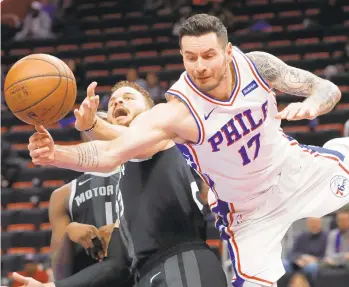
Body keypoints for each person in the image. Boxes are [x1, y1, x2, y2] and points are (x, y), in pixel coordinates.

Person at [27, 14, 347, 287]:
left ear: (228, 51)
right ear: (181, 56)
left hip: (296, 172)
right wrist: (56, 154)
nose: (200, 66)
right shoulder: (177, 111)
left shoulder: (257, 67)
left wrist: (312, 105)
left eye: (209, 55)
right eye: (190, 57)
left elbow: (326, 88)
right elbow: (114, 151)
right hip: (248, 215)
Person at [16, 81, 227, 287]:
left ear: (150, 111)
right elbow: (116, 267)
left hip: (182, 264)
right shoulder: (127, 169)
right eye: (112, 102)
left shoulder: (163, 136)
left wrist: (91, 125)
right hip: (152, 272)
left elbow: (114, 147)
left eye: (128, 98)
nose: (117, 103)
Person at [283, 217, 327, 282]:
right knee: (284, 263)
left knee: (312, 266)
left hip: (315, 262)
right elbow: (291, 253)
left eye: (315, 223)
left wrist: (312, 259)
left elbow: (326, 256)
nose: (314, 225)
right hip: (299, 262)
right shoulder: (301, 236)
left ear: (320, 224)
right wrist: (300, 258)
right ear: (307, 224)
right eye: (311, 222)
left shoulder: (326, 237)